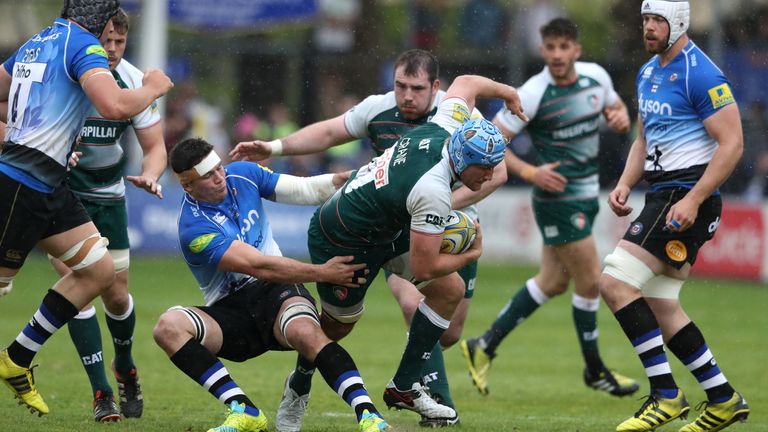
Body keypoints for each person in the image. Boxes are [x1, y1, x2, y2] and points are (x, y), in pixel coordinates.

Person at [230, 49, 508, 428]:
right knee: (337, 327)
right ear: (464, 159)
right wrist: (473, 251)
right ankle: (300, 381)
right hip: (342, 236)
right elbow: (426, 263)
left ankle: (405, 385)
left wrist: (509, 93)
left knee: (449, 291)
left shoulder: (446, 121)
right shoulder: (433, 190)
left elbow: (468, 83)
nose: (491, 176)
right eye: (486, 169)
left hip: (388, 225)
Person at [0, 0, 172, 416]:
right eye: (108, 31)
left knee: (99, 271)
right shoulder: (83, 46)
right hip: (22, 187)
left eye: (120, 37)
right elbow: (114, 106)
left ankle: (16, 359)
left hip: (53, 188)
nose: (111, 43)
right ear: (97, 21)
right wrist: (153, 87)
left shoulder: (39, 41)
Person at [154, 138, 389, 432]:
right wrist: (322, 272)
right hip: (233, 313)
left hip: (278, 292)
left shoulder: (242, 173)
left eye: (218, 168)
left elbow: (307, 189)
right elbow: (258, 266)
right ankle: (245, 410)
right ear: (187, 186)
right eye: (208, 176)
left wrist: (355, 178)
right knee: (168, 327)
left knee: (307, 332)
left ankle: (369, 415)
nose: (219, 178)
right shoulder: (194, 227)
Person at [460, 17, 639, 400]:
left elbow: (617, 111)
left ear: (576, 49)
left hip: (585, 195)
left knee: (553, 282)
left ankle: (484, 344)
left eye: (564, 47)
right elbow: (490, 142)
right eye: (551, 47)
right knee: (592, 279)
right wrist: (530, 171)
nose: (557, 54)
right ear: (543, 51)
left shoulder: (596, 78)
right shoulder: (533, 92)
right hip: (557, 200)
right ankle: (595, 369)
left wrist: (621, 118)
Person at [599, 2, 750, 431]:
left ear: (679, 23)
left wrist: (694, 199)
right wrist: (627, 182)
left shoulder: (700, 73)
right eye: (645, 19)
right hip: (661, 195)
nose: (648, 27)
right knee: (661, 303)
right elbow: (643, 139)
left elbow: (733, 144)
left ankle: (666, 394)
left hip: (686, 196)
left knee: (614, 282)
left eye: (657, 21)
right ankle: (723, 399)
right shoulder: (648, 72)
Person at [47, 8, 165, 422]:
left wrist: (151, 175)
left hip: (109, 198)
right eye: (106, 41)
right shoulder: (64, 71)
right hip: (62, 198)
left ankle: (125, 367)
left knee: (116, 295)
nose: (112, 50)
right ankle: (101, 393)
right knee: (77, 290)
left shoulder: (131, 79)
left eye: (119, 42)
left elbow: (155, 147)